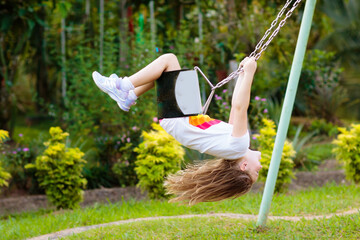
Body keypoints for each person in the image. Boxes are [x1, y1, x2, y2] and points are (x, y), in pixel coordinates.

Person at [92, 53, 262, 205]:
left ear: (244, 165)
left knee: (169, 60)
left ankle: (121, 86)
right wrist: (242, 74)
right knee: (166, 72)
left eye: (256, 171)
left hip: (181, 117)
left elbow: (240, 107)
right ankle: (128, 97)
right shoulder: (234, 148)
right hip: (185, 115)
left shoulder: (239, 147)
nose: (260, 167)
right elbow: (235, 108)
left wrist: (251, 72)